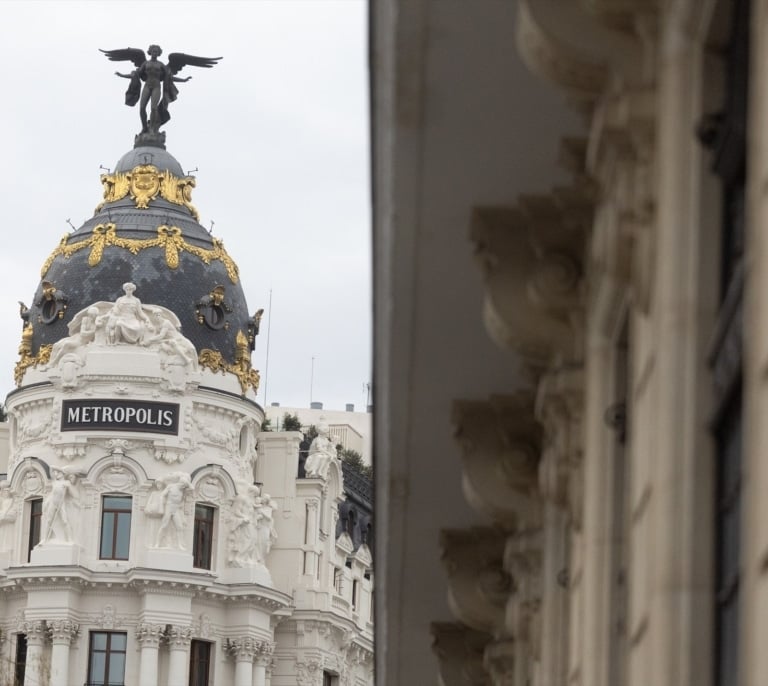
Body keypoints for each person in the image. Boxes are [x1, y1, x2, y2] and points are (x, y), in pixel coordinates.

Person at [114, 45, 191, 134]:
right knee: (142, 108)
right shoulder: (145, 64)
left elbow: (170, 77)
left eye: (157, 52)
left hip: (156, 87)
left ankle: (152, 128)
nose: (155, 53)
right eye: (153, 51)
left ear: (159, 53)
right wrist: (122, 75)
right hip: (147, 86)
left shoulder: (161, 65)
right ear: (150, 52)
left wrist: (184, 80)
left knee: (154, 108)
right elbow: (135, 75)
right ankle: (144, 127)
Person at [41, 469, 79, 543]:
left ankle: (70, 539)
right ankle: (45, 539)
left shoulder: (66, 482)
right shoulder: (54, 483)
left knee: (65, 521)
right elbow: (52, 494)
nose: (55, 474)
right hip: (53, 503)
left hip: (61, 504)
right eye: (55, 472)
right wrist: (46, 503)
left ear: (62, 474)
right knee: (49, 521)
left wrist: (69, 486)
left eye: (57, 472)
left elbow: (74, 495)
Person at [155, 473, 191, 549]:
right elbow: (162, 495)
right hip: (169, 507)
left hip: (176, 509)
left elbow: (192, 488)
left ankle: (180, 545)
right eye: (183, 485)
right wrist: (161, 508)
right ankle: (157, 543)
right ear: (181, 483)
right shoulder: (171, 486)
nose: (184, 487)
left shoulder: (182, 490)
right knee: (164, 526)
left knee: (179, 527)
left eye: (185, 486)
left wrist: (187, 482)